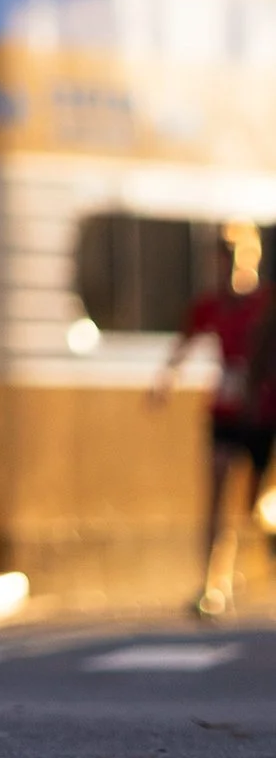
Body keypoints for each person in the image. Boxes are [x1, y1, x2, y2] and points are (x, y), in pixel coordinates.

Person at [153, 224, 276, 617]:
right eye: (223, 257)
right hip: (225, 410)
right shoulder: (210, 305)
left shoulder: (267, 304)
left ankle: (268, 538)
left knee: (257, 503)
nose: (230, 265)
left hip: (263, 413)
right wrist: (165, 382)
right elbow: (184, 343)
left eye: (237, 256)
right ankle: (212, 583)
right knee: (217, 493)